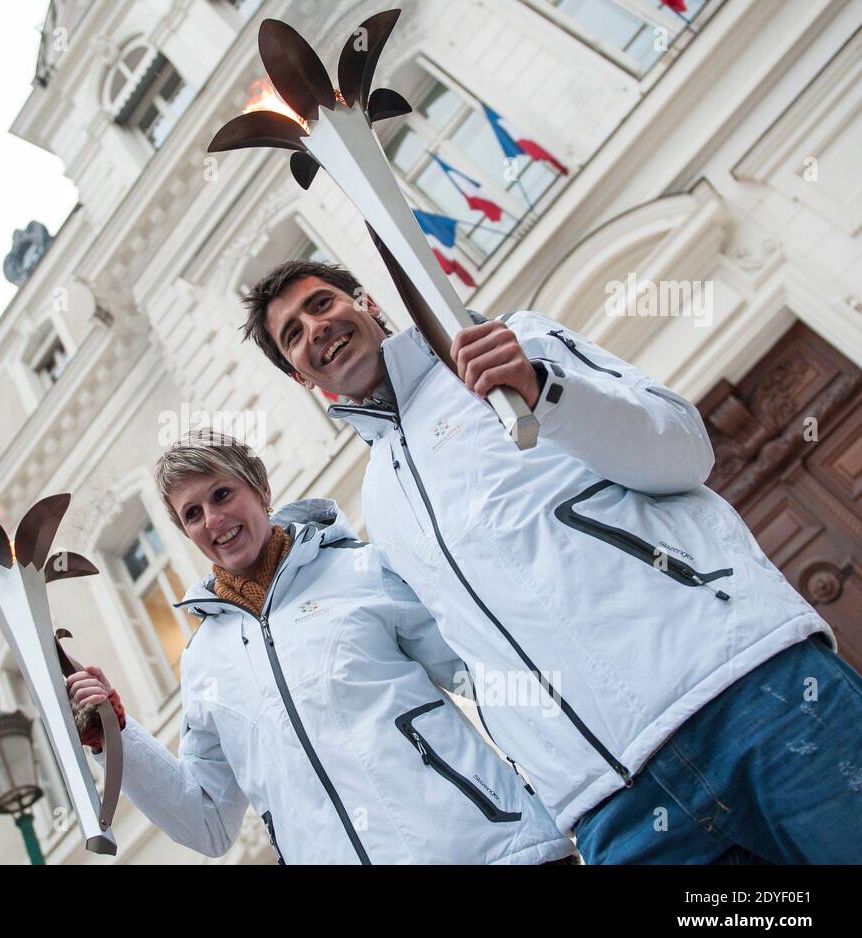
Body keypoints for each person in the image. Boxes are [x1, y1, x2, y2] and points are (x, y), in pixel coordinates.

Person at [236, 258, 862, 865]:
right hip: (614, 810)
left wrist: (545, 389)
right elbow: (461, 660)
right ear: (300, 377)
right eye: (292, 333)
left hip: (746, 693)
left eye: (322, 304)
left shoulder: (514, 344)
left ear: (366, 303)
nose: (315, 328)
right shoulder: (379, 499)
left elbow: (682, 448)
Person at [67, 429, 574, 864]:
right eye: (193, 513)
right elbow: (207, 822)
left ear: (261, 489)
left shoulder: (359, 569)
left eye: (222, 494)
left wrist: (578, 788)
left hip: (493, 850)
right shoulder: (205, 662)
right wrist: (117, 736)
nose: (213, 520)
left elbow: (486, 674)